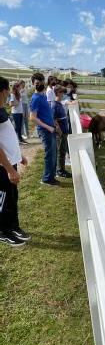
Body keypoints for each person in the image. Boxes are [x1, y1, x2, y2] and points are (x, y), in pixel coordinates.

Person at [0, 76, 30, 247]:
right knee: (3, 199)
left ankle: (13, 226)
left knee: (12, 197)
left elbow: (8, 137)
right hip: (3, 166)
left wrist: (19, 156)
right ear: (4, 91)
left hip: (11, 162)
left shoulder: (2, 109)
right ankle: (3, 231)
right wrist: (10, 170)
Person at [30, 72, 59, 186]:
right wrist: (48, 127)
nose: (39, 84)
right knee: (49, 154)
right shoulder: (35, 98)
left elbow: (47, 113)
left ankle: (51, 176)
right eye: (37, 83)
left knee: (53, 153)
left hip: (50, 128)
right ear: (33, 84)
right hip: (45, 130)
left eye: (41, 82)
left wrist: (54, 124)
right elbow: (32, 118)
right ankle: (47, 179)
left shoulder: (43, 96)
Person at [52, 86, 72, 178]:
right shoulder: (55, 105)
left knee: (63, 151)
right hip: (61, 132)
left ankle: (61, 169)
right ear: (58, 93)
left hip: (64, 131)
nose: (63, 94)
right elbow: (54, 119)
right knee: (61, 151)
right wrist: (59, 131)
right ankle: (60, 171)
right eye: (62, 93)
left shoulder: (59, 104)